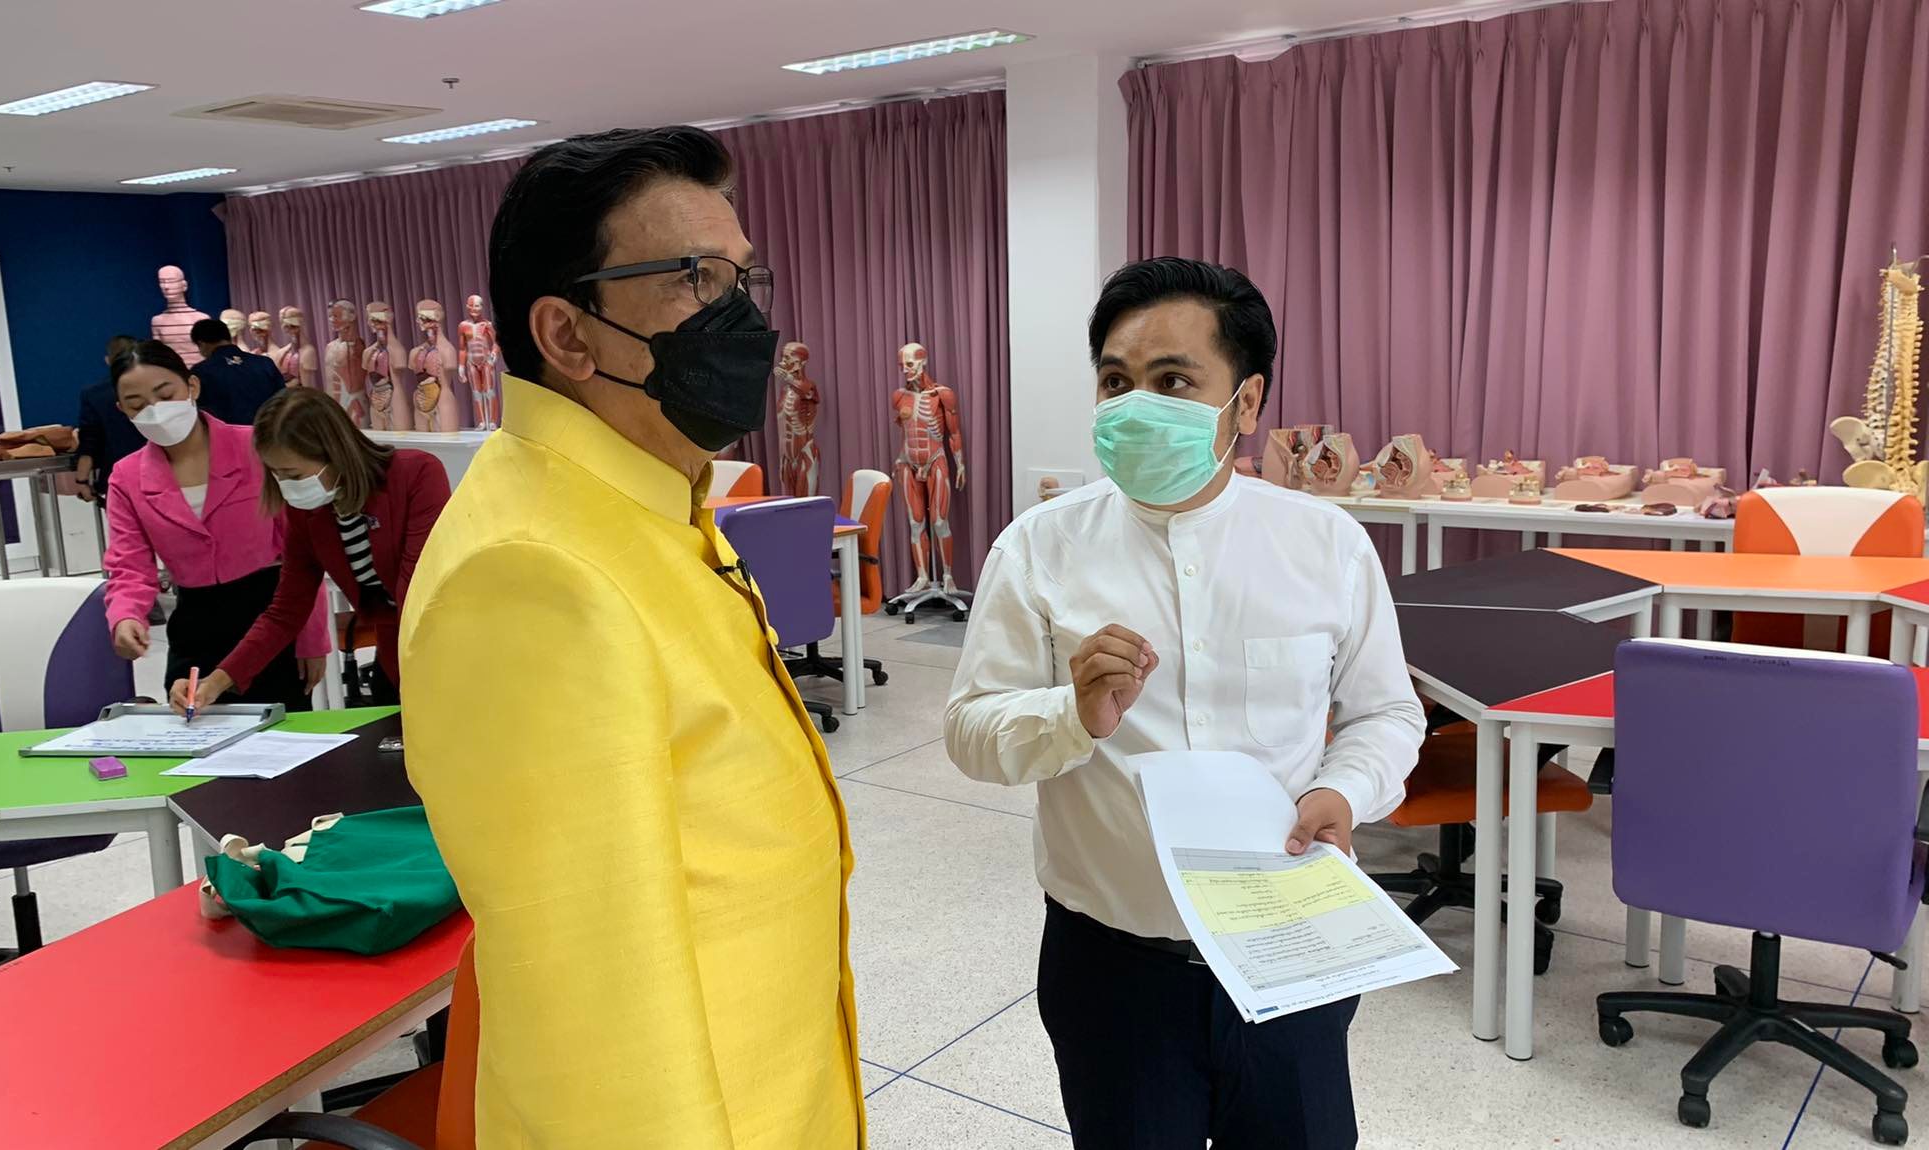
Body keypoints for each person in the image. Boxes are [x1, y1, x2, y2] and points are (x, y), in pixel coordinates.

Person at [399, 127, 863, 1147]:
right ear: (568, 336)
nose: (744, 317)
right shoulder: (532, 575)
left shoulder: (648, 500)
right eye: (697, 279)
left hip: (774, 1084)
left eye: (744, 278)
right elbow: (596, 1022)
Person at [945, 257, 1425, 1150]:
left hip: (1290, 946)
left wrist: (1345, 791)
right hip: (1113, 962)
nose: (1135, 406)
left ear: (1246, 403)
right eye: (1115, 382)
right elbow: (971, 731)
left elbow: (1386, 715)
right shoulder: (1038, 549)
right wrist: (1069, 715)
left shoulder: (1325, 545)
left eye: (1172, 381)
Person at [170, 387, 447, 712]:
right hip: (394, 658)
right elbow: (286, 611)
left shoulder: (416, 474)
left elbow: (417, 592)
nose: (285, 485)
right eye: (275, 474)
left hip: (445, 648)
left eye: (293, 474)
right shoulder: (308, 512)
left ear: (334, 453)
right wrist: (215, 683)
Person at [102, 341, 329, 710]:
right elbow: (129, 565)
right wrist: (126, 616)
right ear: (122, 410)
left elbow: (303, 551)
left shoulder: (257, 447)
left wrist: (312, 637)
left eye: (165, 395)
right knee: (195, 726)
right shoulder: (126, 477)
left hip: (273, 613)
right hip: (196, 624)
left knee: (282, 732)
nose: (154, 411)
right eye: (137, 404)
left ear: (192, 386)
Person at [74, 335, 146, 504]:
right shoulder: (155, 387)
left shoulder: (94, 394)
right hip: (163, 474)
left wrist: (82, 481)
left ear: (108, 360)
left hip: (119, 480)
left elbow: (89, 443)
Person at [190, 317, 287, 426]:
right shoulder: (264, 363)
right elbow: (283, 400)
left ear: (201, 344)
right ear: (227, 337)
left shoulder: (201, 371)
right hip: (268, 431)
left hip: (226, 434)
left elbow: (199, 413)